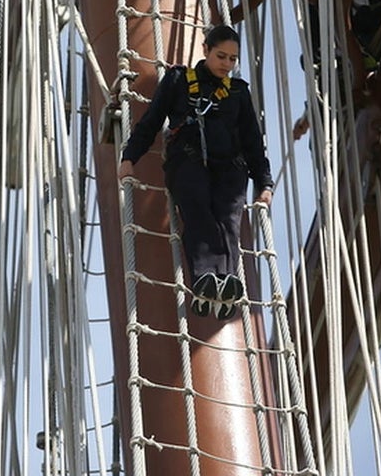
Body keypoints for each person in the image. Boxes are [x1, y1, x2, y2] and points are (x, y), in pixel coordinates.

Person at [117, 26, 274, 319]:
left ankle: (227, 280)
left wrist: (264, 182)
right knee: (198, 211)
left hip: (231, 167)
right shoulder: (178, 79)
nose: (227, 64)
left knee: (229, 220)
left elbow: (253, 141)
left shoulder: (238, 92)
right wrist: (130, 157)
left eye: (233, 59)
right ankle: (205, 275)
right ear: (206, 50)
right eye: (221, 56)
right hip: (187, 161)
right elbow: (151, 121)